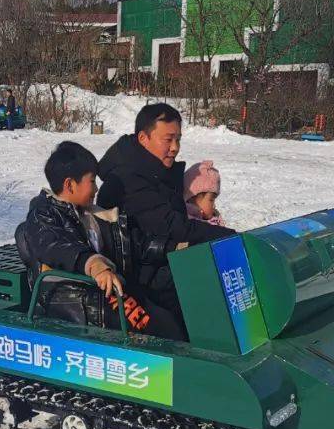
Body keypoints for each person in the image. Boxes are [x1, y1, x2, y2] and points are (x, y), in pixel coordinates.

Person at [16, 141, 184, 339]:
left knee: (170, 316)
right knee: (158, 330)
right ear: (70, 184)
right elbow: (57, 247)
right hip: (77, 298)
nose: (96, 189)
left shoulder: (93, 215)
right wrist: (94, 264)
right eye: (92, 181)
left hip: (107, 290)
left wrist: (173, 247)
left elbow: (133, 242)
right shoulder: (43, 217)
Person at [97, 103, 234, 329]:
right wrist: (228, 235)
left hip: (163, 263)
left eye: (178, 139)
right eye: (168, 139)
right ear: (143, 138)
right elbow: (173, 225)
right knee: (207, 301)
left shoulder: (156, 170)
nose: (175, 147)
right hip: (139, 275)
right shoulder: (129, 179)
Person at [183, 160, 226, 227]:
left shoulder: (215, 219)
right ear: (192, 198)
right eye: (211, 200)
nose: (214, 206)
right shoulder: (187, 224)